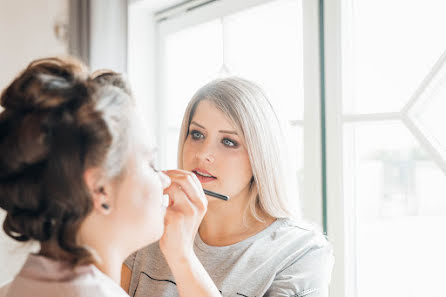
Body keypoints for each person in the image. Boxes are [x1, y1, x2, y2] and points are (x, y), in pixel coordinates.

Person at [0, 57, 214, 297]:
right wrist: (183, 254)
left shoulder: (16, 288)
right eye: (150, 164)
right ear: (101, 190)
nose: (164, 180)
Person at [122, 77, 334, 297]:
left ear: (261, 156)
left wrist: (181, 256)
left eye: (228, 142)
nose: (203, 153)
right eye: (197, 134)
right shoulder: (147, 229)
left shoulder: (301, 253)